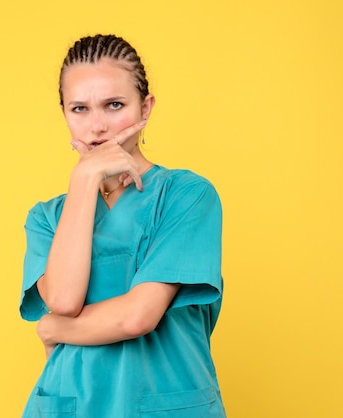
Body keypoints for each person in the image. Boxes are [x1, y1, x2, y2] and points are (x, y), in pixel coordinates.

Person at [19, 34, 226, 417]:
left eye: (114, 105)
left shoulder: (187, 196)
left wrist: (54, 330)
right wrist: (84, 180)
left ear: (145, 108)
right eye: (79, 109)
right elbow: (63, 301)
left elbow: (138, 316)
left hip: (166, 403)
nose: (97, 127)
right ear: (63, 112)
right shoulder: (47, 218)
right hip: (72, 405)